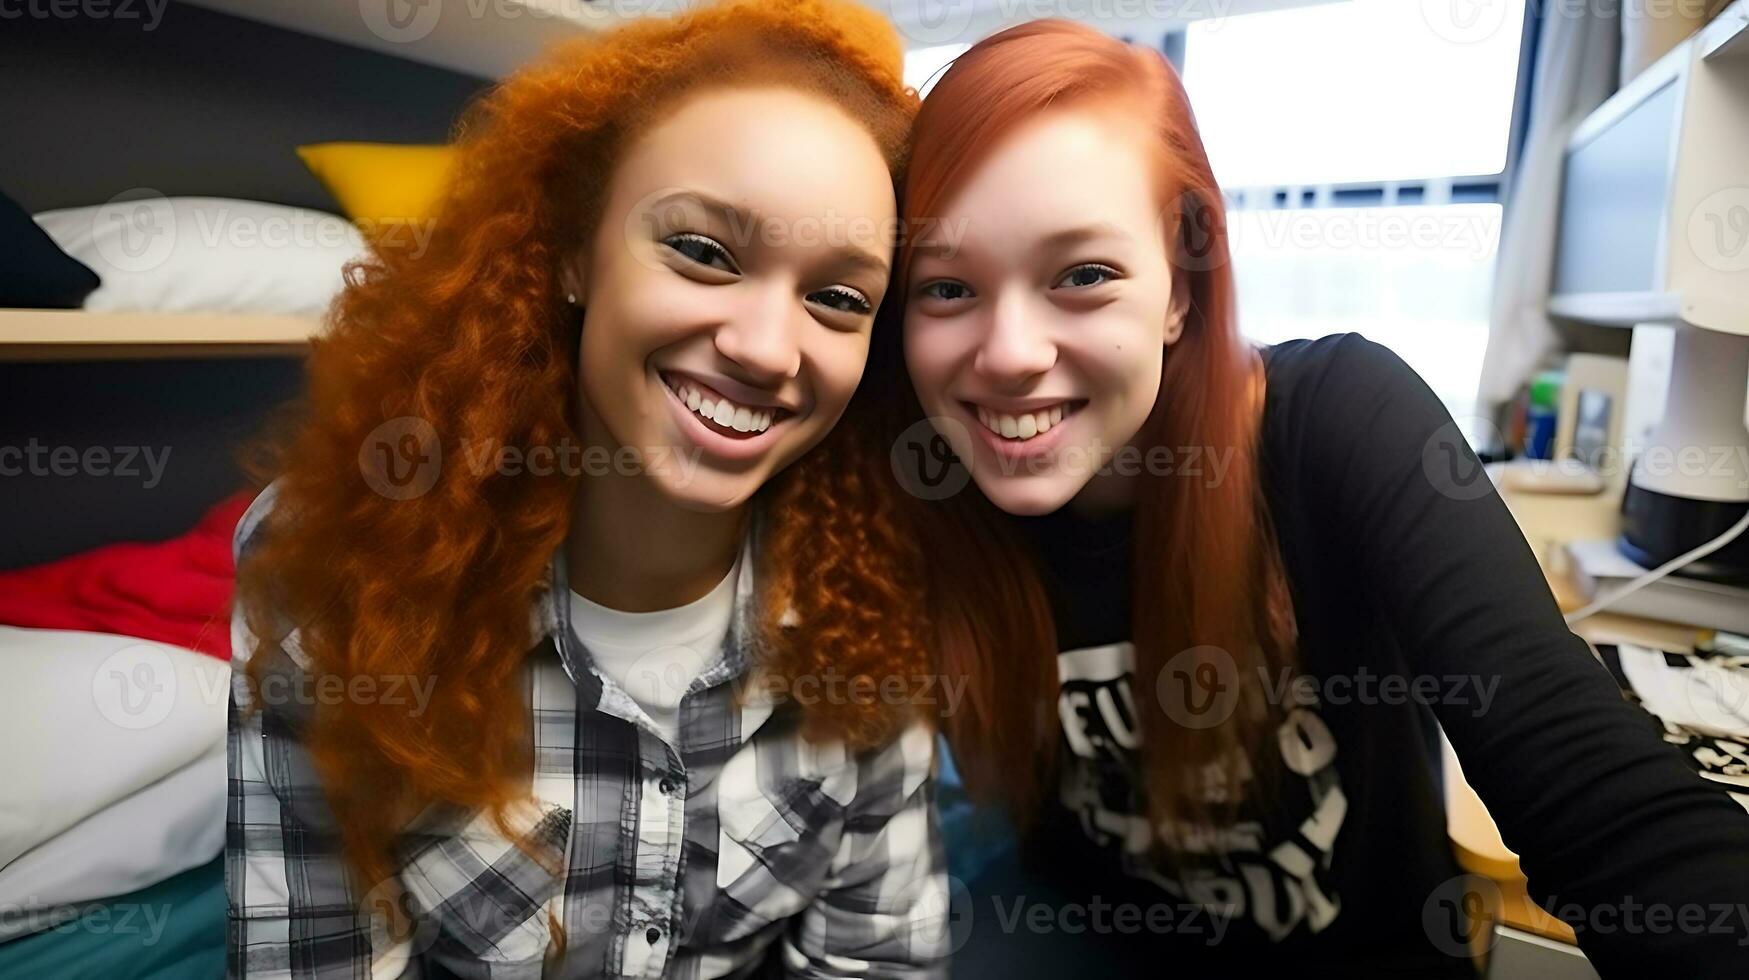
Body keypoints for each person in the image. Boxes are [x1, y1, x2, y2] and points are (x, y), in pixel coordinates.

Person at [883, 18, 1749, 976]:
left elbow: (1593, 788)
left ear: (1178, 287)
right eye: (947, 287)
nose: (1009, 355)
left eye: (1083, 275)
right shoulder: (917, 482)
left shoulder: (1335, 419)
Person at [226, 2, 948, 976]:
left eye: (837, 297)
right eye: (702, 251)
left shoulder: (881, 598)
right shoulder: (333, 561)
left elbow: (877, 958)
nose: (768, 348)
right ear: (574, 254)